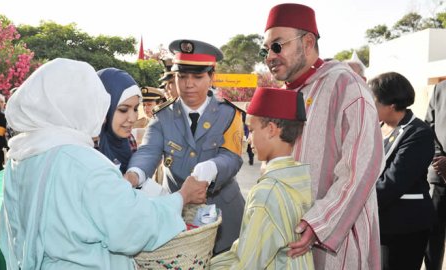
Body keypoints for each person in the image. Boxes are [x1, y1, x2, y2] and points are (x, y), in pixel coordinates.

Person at [0, 58, 208, 270]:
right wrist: (182, 197)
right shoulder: (84, 163)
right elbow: (131, 226)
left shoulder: (21, 156)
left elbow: (8, 234)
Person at [261, 4, 384, 269]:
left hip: (335, 247)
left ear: (307, 42)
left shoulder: (346, 86)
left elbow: (363, 166)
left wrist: (319, 222)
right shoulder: (286, 94)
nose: (270, 55)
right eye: (266, 49)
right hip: (291, 242)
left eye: (277, 46)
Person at [126, 39, 245, 254]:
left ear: (211, 77)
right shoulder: (163, 117)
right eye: (182, 76)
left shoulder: (229, 114)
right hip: (179, 216)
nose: (188, 84)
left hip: (225, 215)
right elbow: (148, 151)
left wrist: (211, 168)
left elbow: (232, 156)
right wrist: (133, 175)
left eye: (198, 77)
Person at [210, 87, 314, 269]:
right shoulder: (299, 179)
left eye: (251, 130)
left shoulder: (267, 193)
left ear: (271, 129)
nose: (248, 138)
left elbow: (247, 263)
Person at [369, 72, 435, 269]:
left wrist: (357, 201)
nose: (370, 106)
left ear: (391, 105)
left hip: (404, 226)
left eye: (374, 101)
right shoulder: (377, 127)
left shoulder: (418, 133)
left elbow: (393, 182)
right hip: (380, 222)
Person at [97, 67, 142, 174]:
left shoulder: (129, 140)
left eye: (135, 109)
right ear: (104, 108)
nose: (132, 119)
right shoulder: (88, 147)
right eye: (123, 110)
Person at [424, 79, 446, 270]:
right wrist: (439, 158)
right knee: (433, 235)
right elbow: (428, 128)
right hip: (440, 177)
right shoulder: (441, 88)